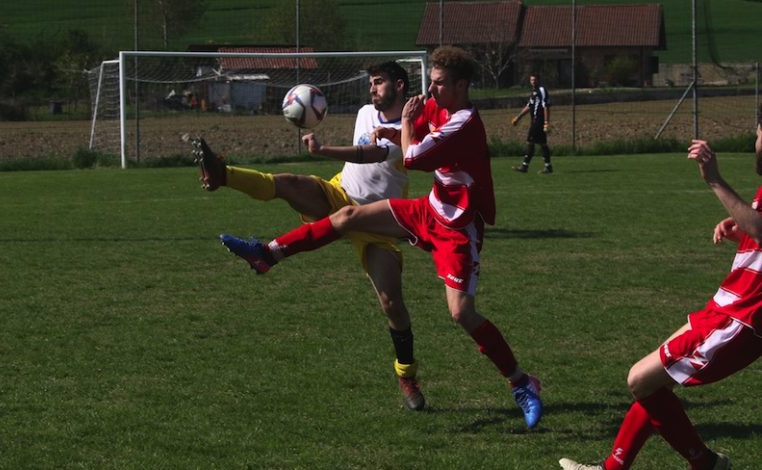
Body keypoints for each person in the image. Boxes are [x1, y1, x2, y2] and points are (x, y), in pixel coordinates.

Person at [219, 46, 544, 429]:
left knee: (461, 313)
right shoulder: (440, 108)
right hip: (429, 209)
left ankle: (523, 384)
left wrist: (403, 124)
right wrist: (397, 128)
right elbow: (419, 134)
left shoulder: (465, 122)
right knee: (348, 217)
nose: (431, 89)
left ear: (461, 85)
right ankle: (267, 254)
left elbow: (413, 157)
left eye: (438, 83)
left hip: (458, 227)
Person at [192, 61, 427, 411]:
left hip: (380, 221)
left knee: (392, 304)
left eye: (379, 83)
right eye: (371, 83)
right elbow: (360, 160)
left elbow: (373, 154)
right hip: (339, 194)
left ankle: (406, 374)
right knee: (286, 183)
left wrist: (323, 149)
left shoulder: (411, 130)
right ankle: (223, 173)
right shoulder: (365, 112)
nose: (372, 89)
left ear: (399, 85)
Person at [558, 128, 762, 470]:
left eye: (759, 132)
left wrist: (715, 180)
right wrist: (740, 231)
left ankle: (705, 463)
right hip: (728, 307)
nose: (755, 141)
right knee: (652, 382)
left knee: (640, 379)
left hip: (742, 318)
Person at [511, 73, 553, 174]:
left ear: (539, 79)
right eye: (531, 80)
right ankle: (548, 167)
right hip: (535, 120)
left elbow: (546, 106)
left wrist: (546, 122)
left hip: (538, 120)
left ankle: (524, 166)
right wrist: (518, 117)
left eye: (535, 80)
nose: (533, 82)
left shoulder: (542, 90)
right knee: (543, 144)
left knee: (530, 142)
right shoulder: (534, 92)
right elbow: (529, 106)